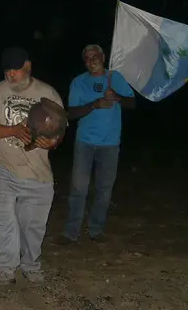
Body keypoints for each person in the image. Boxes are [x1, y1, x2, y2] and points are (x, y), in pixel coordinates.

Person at [0, 46, 64, 286]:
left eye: (15, 70)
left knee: (32, 227)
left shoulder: (48, 94)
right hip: (4, 169)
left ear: (27, 66)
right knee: (5, 220)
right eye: (7, 70)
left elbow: (59, 134)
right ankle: (5, 268)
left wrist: (52, 143)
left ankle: (31, 265)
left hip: (38, 174)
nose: (10, 75)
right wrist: (14, 130)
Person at [55, 44, 135, 245]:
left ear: (103, 57)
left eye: (95, 56)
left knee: (104, 189)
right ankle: (71, 232)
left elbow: (132, 103)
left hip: (110, 143)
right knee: (79, 188)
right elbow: (71, 113)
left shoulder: (115, 78)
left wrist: (116, 97)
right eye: (87, 58)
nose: (92, 60)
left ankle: (96, 229)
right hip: (85, 142)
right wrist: (94, 105)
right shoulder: (79, 82)